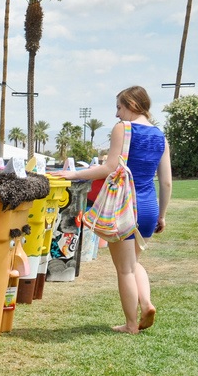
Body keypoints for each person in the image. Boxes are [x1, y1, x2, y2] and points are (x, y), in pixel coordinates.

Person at [50, 86, 171, 334]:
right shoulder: (161, 136)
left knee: (124, 268)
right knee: (134, 262)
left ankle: (130, 324)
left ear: (132, 105)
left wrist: (73, 174)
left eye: (119, 107)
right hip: (148, 207)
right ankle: (145, 302)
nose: (117, 114)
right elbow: (167, 181)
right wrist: (162, 215)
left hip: (124, 207)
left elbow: (109, 167)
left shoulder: (123, 129)